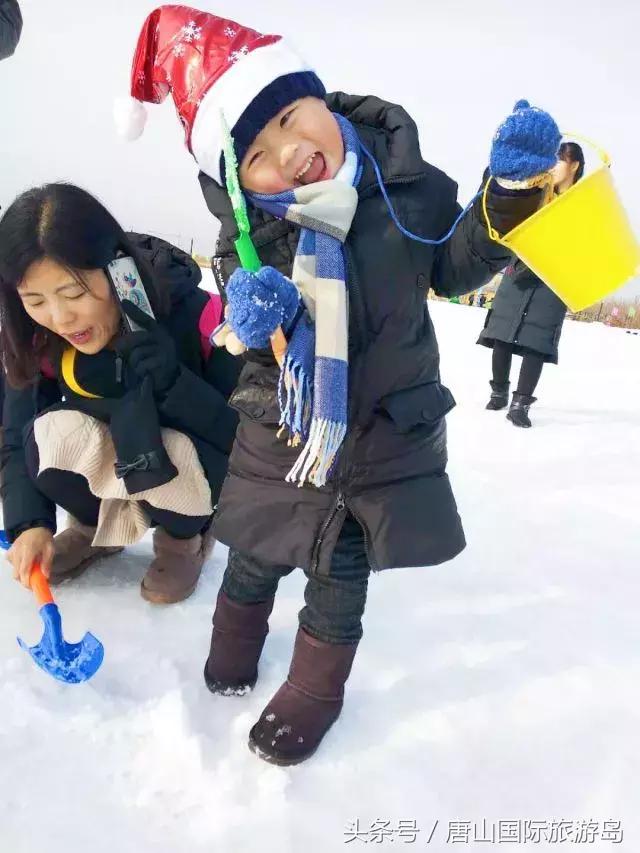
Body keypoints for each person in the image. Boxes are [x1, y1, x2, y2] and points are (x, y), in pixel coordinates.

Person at [118, 5, 560, 763]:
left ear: (324, 98)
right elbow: (242, 308)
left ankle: (314, 692)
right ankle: (235, 640)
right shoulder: (252, 229)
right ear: (235, 176)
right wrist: (258, 309)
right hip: (284, 433)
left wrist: (509, 196)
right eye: (256, 152)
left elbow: (456, 266)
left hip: (381, 434)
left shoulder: (408, 191)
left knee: (339, 572)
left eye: (293, 116)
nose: (289, 153)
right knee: (256, 549)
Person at [0, 183, 240, 603]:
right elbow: (14, 437)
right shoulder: (39, 337)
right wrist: (29, 524)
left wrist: (174, 383)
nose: (60, 317)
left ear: (116, 268)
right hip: (116, 465)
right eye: (34, 300)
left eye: (73, 292)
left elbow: (240, 443)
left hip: (182, 470)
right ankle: (94, 529)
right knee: (48, 434)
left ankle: (183, 541)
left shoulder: (200, 316)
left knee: (178, 447)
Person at [477, 142, 585, 427]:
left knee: (536, 340)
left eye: (560, 161)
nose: (553, 166)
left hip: (553, 277)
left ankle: (520, 404)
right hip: (521, 269)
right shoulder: (538, 193)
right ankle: (498, 391)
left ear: (574, 165)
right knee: (502, 332)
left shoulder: (582, 202)